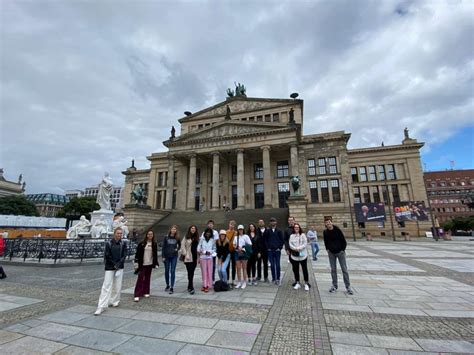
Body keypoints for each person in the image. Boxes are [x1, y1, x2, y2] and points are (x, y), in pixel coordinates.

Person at [95, 227, 128, 315]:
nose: (119, 235)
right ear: (114, 234)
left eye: (121, 233)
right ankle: (101, 306)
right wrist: (114, 264)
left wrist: (118, 264)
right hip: (110, 267)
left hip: (119, 266)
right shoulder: (109, 243)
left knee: (118, 285)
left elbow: (124, 255)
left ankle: (114, 300)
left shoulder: (123, 243)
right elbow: (107, 255)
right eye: (118, 233)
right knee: (106, 286)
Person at [323, 217, 354, 295]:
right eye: (327, 223)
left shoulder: (337, 230)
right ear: (325, 224)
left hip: (340, 252)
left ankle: (348, 287)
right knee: (333, 270)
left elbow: (343, 240)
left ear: (331, 223)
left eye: (329, 222)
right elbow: (325, 241)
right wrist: (327, 249)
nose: (328, 224)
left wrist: (342, 250)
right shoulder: (325, 232)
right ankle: (334, 286)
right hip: (331, 253)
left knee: (344, 269)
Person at [133, 230, 159, 302]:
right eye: (149, 234)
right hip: (142, 264)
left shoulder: (154, 244)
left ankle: (146, 291)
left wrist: (156, 263)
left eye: (151, 234)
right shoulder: (142, 244)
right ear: (146, 235)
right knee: (140, 278)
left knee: (147, 278)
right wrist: (136, 262)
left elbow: (155, 255)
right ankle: (137, 294)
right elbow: (137, 254)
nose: (150, 235)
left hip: (149, 263)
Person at [289, 223, 311, 291]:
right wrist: (295, 248)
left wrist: (299, 248)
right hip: (294, 256)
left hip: (303, 255)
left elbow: (305, 243)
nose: (296, 228)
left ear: (299, 228)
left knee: (305, 269)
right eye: (295, 227)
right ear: (293, 228)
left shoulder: (303, 235)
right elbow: (290, 244)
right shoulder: (291, 236)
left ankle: (306, 283)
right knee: (296, 270)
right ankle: (297, 282)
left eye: (297, 227)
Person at [179, 225, 199, 294]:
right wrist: (185, 254)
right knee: (189, 272)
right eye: (192, 228)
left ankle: (189, 286)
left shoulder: (197, 237)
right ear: (190, 229)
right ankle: (191, 287)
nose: (193, 229)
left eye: (194, 228)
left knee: (192, 272)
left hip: (195, 257)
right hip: (188, 257)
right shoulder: (186, 236)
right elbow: (182, 245)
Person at [162, 225, 181, 294]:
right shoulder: (166, 237)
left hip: (174, 256)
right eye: (172, 229)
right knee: (167, 271)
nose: (173, 230)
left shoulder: (177, 238)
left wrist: (177, 249)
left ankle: (172, 287)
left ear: (176, 231)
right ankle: (167, 284)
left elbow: (180, 245)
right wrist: (163, 256)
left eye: (175, 229)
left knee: (172, 270)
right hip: (167, 256)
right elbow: (163, 247)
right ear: (170, 230)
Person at [266, 217, 284, 285]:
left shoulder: (279, 230)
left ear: (276, 222)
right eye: (271, 221)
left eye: (274, 221)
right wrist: (268, 248)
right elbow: (266, 240)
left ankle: (278, 278)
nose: (272, 222)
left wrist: (279, 248)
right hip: (270, 250)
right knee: (272, 265)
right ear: (270, 223)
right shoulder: (268, 231)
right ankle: (273, 278)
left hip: (277, 250)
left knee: (277, 264)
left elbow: (282, 240)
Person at [233, 225, 252, 289]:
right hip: (237, 252)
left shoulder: (246, 236)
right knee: (238, 268)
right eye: (239, 229)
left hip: (244, 253)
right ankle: (239, 282)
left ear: (243, 230)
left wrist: (243, 247)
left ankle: (244, 282)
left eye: (241, 229)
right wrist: (236, 247)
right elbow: (234, 244)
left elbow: (250, 244)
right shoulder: (236, 237)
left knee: (244, 268)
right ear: (238, 230)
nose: (240, 230)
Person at [198, 228, 216, 292]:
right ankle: (204, 285)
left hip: (209, 257)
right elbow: (198, 248)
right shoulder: (202, 240)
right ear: (205, 233)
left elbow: (214, 248)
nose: (208, 233)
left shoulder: (212, 240)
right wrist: (203, 251)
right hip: (203, 257)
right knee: (204, 272)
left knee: (209, 272)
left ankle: (208, 285)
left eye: (209, 232)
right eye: (207, 232)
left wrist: (210, 252)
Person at [201, 220, 219, 284]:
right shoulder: (204, 233)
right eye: (209, 224)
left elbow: (216, 241)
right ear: (207, 225)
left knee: (213, 266)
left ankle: (212, 279)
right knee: (205, 267)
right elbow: (202, 241)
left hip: (212, 252)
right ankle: (206, 280)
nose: (210, 225)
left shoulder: (215, 232)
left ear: (213, 225)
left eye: (212, 224)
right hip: (205, 252)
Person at [226, 220, 237, 287]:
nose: (232, 226)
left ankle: (233, 280)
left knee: (234, 266)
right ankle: (227, 280)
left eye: (233, 225)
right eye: (231, 224)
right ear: (229, 224)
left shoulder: (236, 233)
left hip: (234, 251)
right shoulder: (226, 232)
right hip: (227, 251)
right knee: (227, 266)